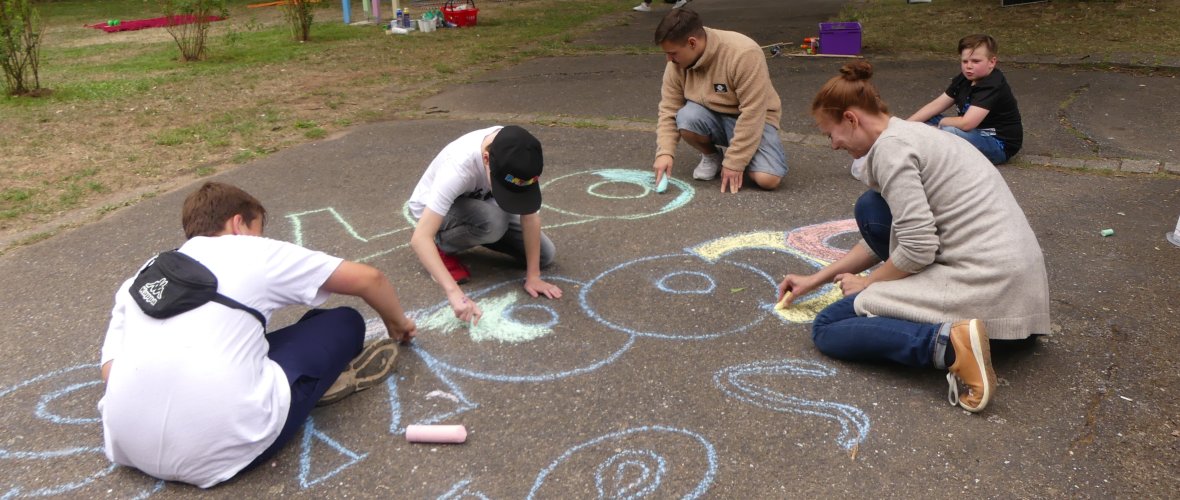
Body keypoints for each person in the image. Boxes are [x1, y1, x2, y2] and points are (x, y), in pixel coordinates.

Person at [98, 182, 418, 488]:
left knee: (253, 345)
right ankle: (316, 387)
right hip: (220, 452)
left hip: (129, 446)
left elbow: (110, 370)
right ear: (239, 224)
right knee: (344, 322)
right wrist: (399, 326)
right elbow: (369, 279)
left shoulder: (146, 273)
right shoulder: (250, 252)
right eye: (258, 230)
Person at [779, 61, 1049, 413]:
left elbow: (918, 248)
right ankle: (954, 331)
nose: (833, 145)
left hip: (987, 289)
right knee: (873, 209)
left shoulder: (892, 151)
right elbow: (900, 234)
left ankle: (950, 345)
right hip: (1019, 295)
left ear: (851, 118)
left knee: (829, 327)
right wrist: (815, 280)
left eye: (830, 133)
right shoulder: (912, 133)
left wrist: (870, 284)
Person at [408, 125, 562, 327]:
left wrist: (533, 276)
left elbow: (530, 216)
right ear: (486, 160)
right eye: (504, 187)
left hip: (484, 210)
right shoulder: (458, 166)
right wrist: (455, 294)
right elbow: (420, 238)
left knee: (545, 255)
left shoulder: (521, 156)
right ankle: (441, 244)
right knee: (493, 221)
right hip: (435, 213)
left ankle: (484, 232)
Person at [651, 8, 788, 194]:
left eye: (673, 53)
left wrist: (735, 162)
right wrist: (665, 152)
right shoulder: (676, 64)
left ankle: (742, 155)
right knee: (686, 116)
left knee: (768, 180)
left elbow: (753, 112)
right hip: (709, 116)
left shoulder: (743, 53)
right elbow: (669, 108)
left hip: (752, 119)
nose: (669, 59)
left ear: (692, 43)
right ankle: (713, 156)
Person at [907, 34, 1023, 165]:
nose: (969, 66)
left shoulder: (993, 84)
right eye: (965, 61)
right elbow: (936, 105)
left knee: (948, 132)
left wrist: (941, 124)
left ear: (992, 62)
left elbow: (967, 123)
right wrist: (904, 126)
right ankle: (913, 145)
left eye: (975, 61)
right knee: (926, 119)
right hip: (969, 132)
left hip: (997, 143)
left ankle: (921, 153)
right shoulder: (965, 78)